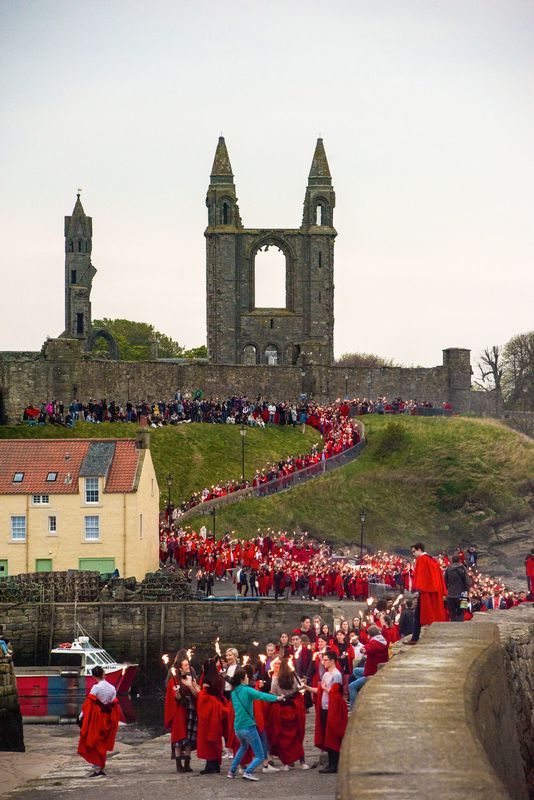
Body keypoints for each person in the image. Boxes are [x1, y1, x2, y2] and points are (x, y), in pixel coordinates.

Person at [227, 667, 282, 781]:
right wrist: (277, 698)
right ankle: (248, 771)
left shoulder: (234, 692)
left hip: (238, 728)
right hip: (249, 727)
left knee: (243, 747)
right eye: (246, 677)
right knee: (260, 755)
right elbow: (262, 696)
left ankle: (231, 771)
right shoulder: (247, 690)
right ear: (242, 679)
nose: (248, 678)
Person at [304, 650, 347, 774]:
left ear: (333, 660)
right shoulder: (326, 674)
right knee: (326, 736)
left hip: (331, 709)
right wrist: (308, 688)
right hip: (324, 708)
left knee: (332, 736)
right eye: (323, 659)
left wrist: (325, 689)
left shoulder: (336, 675)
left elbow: (336, 694)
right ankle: (331, 763)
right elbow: (321, 690)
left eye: (326, 659)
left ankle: (335, 764)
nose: (323, 662)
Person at [77, 666, 120, 778]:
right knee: (103, 743)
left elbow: (88, 705)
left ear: (93, 676)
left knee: (94, 742)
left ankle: (97, 768)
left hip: (96, 719)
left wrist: (81, 716)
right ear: (103, 674)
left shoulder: (95, 688)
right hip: (108, 718)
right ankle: (101, 767)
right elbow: (113, 704)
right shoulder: (112, 688)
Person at [268, 657, 308, 770]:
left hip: (283, 710)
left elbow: (274, 695)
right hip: (293, 710)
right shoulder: (293, 677)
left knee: (284, 739)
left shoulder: (275, 679)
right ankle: (302, 762)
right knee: (296, 737)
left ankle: (286, 763)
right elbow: (299, 689)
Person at [164, 657, 200, 772]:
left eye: (188, 665)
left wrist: (190, 685)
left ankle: (187, 764)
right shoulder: (174, 681)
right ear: (180, 668)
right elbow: (173, 698)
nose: (187, 667)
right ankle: (179, 764)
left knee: (189, 738)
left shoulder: (192, 678)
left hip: (190, 710)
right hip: (180, 711)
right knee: (179, 738)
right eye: (185, 665)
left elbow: (197, 694)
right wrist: (177, 694)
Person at [407, 542, 447, 645]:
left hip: (426, 592)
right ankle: (415, 637)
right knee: (426, 615)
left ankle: (415, 638)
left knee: (419, 615)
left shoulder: (421, 559)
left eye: (414, 551)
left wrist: (417, 588)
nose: (413, 554)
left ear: (419, 549)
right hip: (434, 591)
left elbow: (419, 576)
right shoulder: (433, 560)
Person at [196, 658, 227, 774]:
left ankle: (210, 765)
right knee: (215, 737)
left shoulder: (207, 679)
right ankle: (215, 764)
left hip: (209, 710)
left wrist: (195, 688)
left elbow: (204, 695)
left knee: (207, 738)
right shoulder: (219, 678)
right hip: (216, 709)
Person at [348, 625, 389, 708]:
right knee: (355, 670)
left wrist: (362, 648)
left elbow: (367, 648)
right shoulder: (381, 640)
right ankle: (363, 687)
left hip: (372, 672)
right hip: (373, 668)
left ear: (371, 635)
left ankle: (353, 708)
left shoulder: (375, 643)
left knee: (351, 686)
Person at [444, 555, 470, 622]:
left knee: (452, 613)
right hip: (463, 594)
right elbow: (467, 582)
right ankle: (460, 627)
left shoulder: (448, 569)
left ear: (452, 561)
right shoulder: (464, 569)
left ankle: (453, 628)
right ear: (459, 560)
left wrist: (447, 590)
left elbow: (445, 581)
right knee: (461, 612)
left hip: (450, 594)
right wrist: (467, 592)